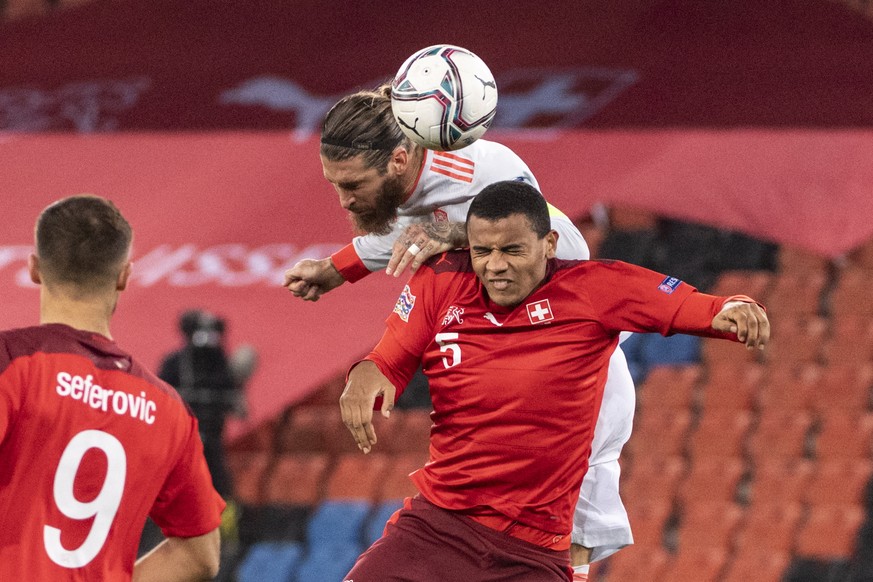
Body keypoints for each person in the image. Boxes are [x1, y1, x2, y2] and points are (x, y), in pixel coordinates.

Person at [284, 84, 636, 577]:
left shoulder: (484, 168)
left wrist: (457, 233)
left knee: (572, 541)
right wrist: (334, 269)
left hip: (568, 373)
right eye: (334, 183)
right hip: (494, 390)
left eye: (353, 184)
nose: (343, 200)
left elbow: (553, 249)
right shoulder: (405, 196)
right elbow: (397, 233)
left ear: (400, 160)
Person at [339, 181, 770, 581]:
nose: (495, 266)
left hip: (532, 554)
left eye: (512, 250)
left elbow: (690, 305)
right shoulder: (443, 280)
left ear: (549, 244)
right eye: (482, 251)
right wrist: (366, 372)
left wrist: (734, 307)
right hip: (436, 530)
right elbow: (390, 357)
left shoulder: (596, 288)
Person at [0, 195, 225, 581]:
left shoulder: (11, 362)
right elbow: (200, 556)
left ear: (35, 268)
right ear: (124, 275)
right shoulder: (167, 408)